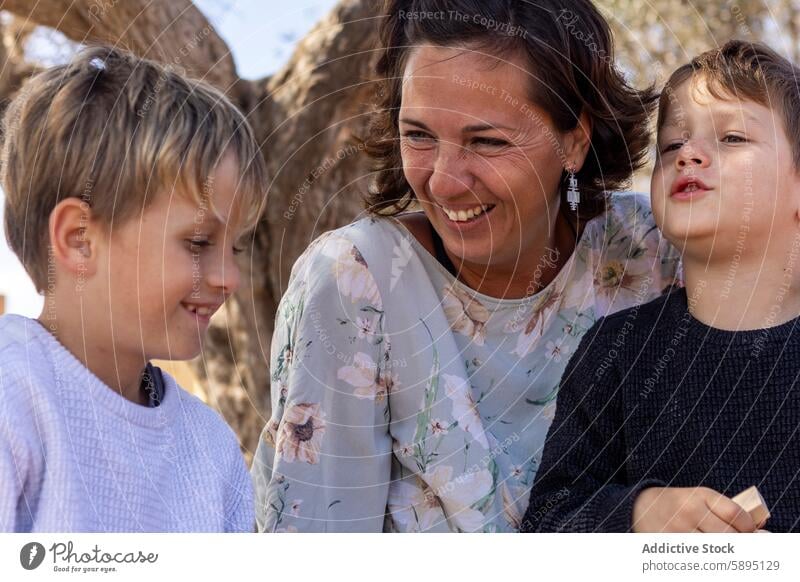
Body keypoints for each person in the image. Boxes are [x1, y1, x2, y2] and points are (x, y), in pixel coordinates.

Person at [252, 0, 681, 532]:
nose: (444, 181)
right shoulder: (355, 283)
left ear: (573, 140)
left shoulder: (653, 252)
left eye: (487, 141)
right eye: (419, 135)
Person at [524, 40, 800, 533]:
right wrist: (637, 513)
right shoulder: (617, 350)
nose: (689, 154)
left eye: (732, 138)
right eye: (671, 145)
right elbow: (547, 521)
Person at [0, 46, 266, 532]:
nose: (229, 278)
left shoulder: (210, 448)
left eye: (237, 249)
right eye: (199, 241)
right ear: (79, 239)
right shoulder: (14, 397)